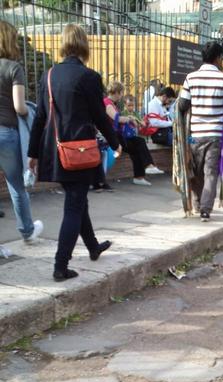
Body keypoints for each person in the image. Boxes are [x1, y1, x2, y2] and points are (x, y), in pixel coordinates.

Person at [28, 24, 120, 281]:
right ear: (83, 45)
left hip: (55, 151)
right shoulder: (89, 77)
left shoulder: (48, 75)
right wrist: (115, 142)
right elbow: (100, 117)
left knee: (78, 201)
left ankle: (92, 247)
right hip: (79, 152)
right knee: (74, 206)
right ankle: (60, 266)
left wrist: (32, 153)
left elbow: (39, 119)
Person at [178, 41, 223, 222]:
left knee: (195, 169)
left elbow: (182, 104)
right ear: (218, 58)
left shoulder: (190, 78)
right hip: (215, 135)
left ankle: (197, 203)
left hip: (194, 135)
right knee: (211, 172)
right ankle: (205, 209)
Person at [0, 20, 42, 241]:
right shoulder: (13, 68)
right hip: (6, 133)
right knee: (16, 185)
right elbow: (19, 107)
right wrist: (30, 111)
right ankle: (27, 231)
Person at [104, 81, 162, 185]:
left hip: (117, 135)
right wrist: (129, 118)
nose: (121, 96)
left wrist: (130, 118)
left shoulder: (112, 103)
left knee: (137, 147)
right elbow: (116, 118)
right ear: (116, 92)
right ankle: (147, 167)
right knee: (138, 143)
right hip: (113, 137)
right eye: (121, 93)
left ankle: (141, 175)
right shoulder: (107, 103)